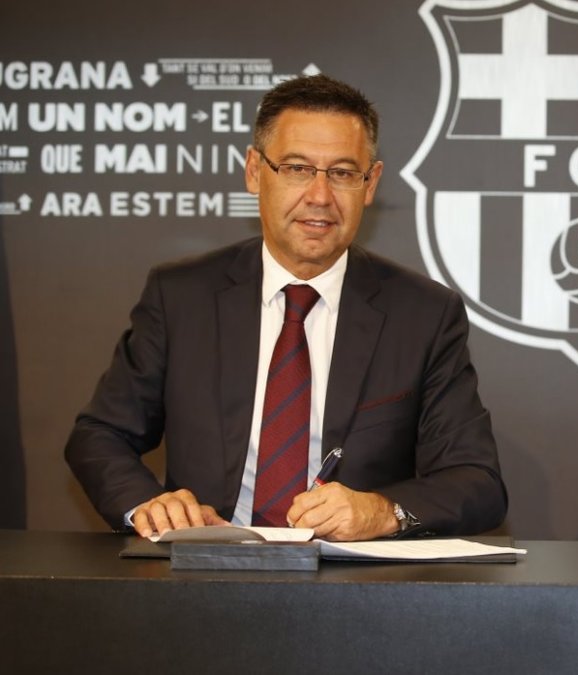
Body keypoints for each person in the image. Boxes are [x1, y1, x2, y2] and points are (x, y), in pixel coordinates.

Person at [66, 74, 506, 541]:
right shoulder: (181, 297)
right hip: (205, 566)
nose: (320, 196)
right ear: (255, 172)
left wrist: (382, 511)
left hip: (352, 575)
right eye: (297, 168)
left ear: (370, 183)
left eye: (342, 173)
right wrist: (151, 507)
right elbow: (99, 435)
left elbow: (477, 481)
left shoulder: (423, 315)